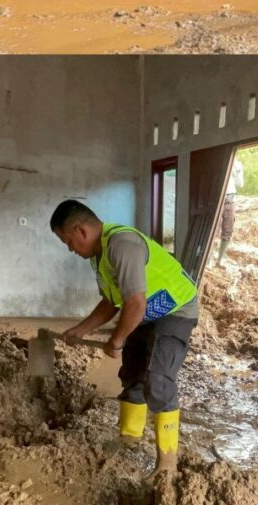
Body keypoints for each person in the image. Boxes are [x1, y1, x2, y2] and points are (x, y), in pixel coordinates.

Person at [50, 199, 199, 475]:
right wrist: (81, 329)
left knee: (158, 379)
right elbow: (112, 302)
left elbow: (135, 304)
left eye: (68, 241)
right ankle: (130, 437)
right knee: (132, 373)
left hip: (175, 310)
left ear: (81, 231)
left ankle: (167, 463)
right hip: (146, 311)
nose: (70, 249)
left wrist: (117, 341)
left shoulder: (122, 245)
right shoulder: (99, 256)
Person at [217, 156, 245, 264]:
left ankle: (220, 260)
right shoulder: (219, 161)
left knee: (227, 230)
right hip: (217, 199)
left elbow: (240, 184)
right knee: (213, 231)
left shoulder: (237, 164)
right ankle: (208, 261)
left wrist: (237, 170)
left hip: (230, 199)